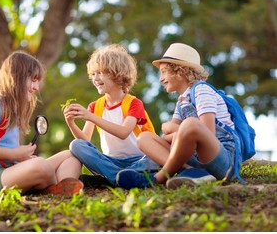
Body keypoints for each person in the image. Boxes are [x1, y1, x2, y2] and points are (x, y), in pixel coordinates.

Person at [117, 43, 238, 189]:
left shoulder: (202, 90)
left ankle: (157, 179)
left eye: (164, 72)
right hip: (196, 159)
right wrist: (178, 134)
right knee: (144, 137)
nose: (161, 79)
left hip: (220, 159)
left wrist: (177, 131)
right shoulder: (182, 101)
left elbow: (208, 133)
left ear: (180, 71)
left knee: (191, 124)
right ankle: (190, 171)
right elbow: (167, 136)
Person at [0, 51, 83, 199]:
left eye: (37, 81)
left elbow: (5, 151)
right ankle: (53, 190)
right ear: (16, 78)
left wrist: (20, 159)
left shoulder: (15, 111)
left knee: (73, 155)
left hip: (7, 172)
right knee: (40, 165)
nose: (36, 87)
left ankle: (61, 188)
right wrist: (14, 154)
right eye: (33, 80)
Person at [63, 44, 159, 187]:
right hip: (111, 161)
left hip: (139, 159)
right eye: (93, 74)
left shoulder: (133, 103)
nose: (95, 78)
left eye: (101, 72)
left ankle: (111, 178)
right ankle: (120, 177)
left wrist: (91, 116)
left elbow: (124, 132)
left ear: (118, 74)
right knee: (76, 145)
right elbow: (85, 140)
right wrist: (71, 123)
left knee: (154, 159)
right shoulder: (95, 106)